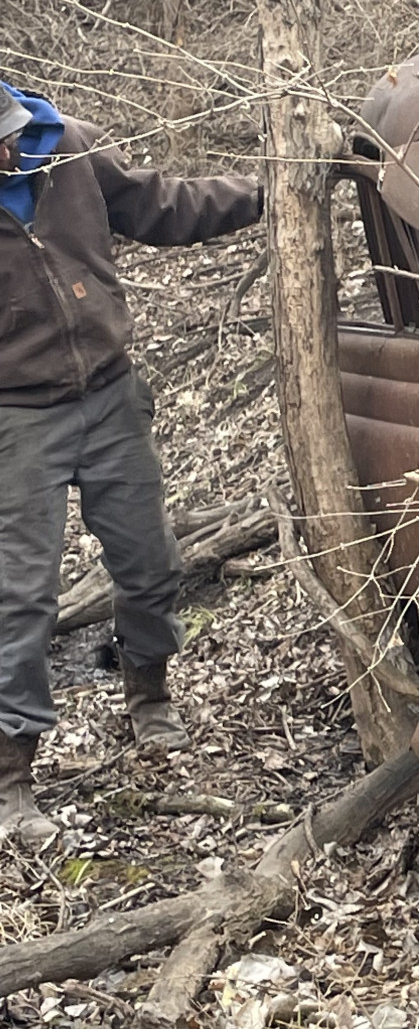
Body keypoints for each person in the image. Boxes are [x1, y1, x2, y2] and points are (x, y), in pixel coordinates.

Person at [0, 80, 263, 845]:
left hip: (112, 396)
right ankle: (13, 775)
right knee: (21, 599)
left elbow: (166, 206)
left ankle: (148, 697)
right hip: (16, 418)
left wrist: (270, 191)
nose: (6, 154)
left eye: (7, 138)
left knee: (151, 564)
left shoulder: (69, 149)